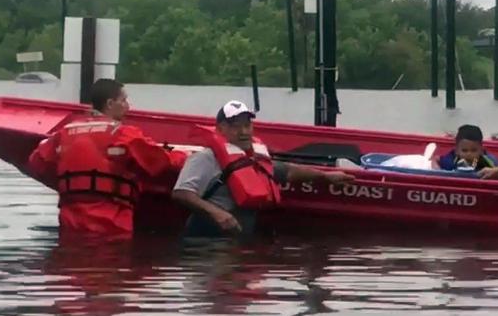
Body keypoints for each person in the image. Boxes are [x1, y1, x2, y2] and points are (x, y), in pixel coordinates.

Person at [26, 79, 186, 237]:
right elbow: (160, 161)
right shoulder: (123, 134)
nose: (128, 106)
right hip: (111, 225)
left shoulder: (63, 134)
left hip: (71, 225)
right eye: (123, 100)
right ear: (110, 104)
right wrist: (186, 157)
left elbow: (36, 163)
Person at [171, 100, 354, 238]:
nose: (244, 132)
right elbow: (181, 192)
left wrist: (327, 177)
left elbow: (288, 171)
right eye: (236, 126)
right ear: (221, 129)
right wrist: (217, 213)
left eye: (247, 125)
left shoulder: (254, 158)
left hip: (237, 242)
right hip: (206, 242)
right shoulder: (205, 158)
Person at [433, 124, 498, 172]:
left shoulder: (488, 161)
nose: (469, 154)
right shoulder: (452, 161)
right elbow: (436, 159)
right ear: (457, 151)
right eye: (464, 150)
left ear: (481, 150)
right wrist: (437, 169)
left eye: (474, 150)